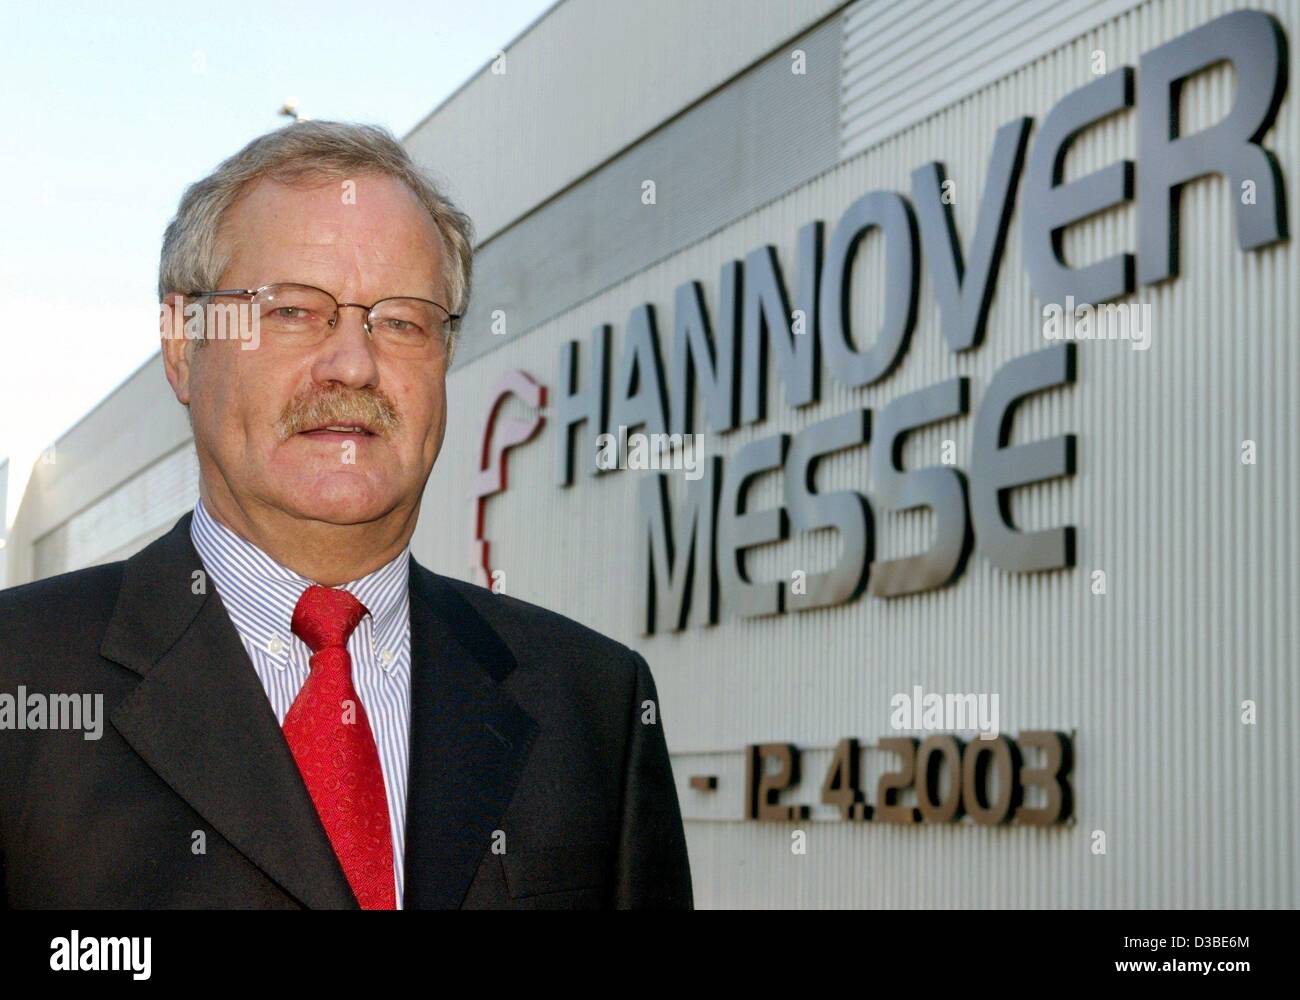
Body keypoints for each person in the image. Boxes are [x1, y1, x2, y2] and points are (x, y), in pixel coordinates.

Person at [0, 121, 692, 909]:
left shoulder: (593, 705)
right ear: (182, 347)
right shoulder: (20, 678)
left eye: (401, 322)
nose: (354, 363)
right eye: (294, 311)